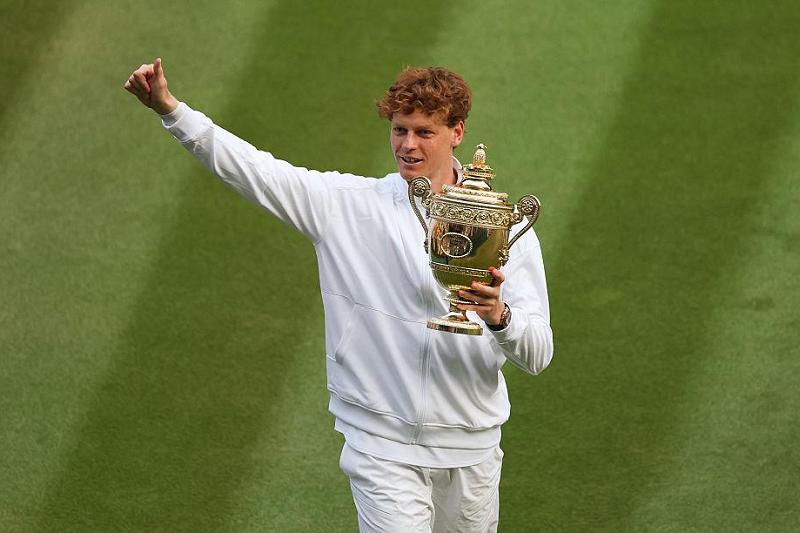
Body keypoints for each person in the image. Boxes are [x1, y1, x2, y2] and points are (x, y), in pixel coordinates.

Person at [124, 58, 553, 532]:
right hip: (380, 446)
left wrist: (500, 317)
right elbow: (253, 170)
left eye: (423, 132)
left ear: (457, 132)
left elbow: (538, 354)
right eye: (399, 130)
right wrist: (171, 110)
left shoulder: (504, 230)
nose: (407, 145)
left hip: (471, 450)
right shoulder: (345, 205)